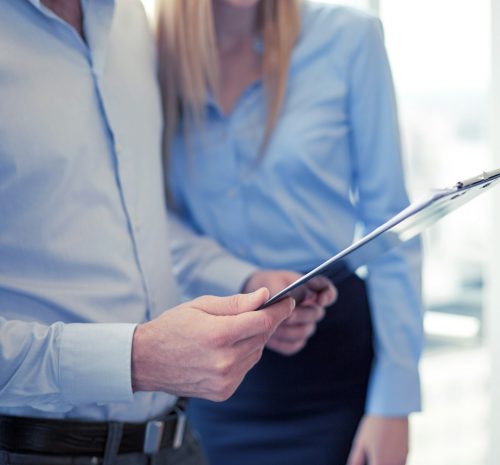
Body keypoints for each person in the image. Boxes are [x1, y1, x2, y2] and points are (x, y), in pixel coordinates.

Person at [0, 1, 336, 464]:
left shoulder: (132, 22)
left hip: (175, 441)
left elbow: (137, 219)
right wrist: (136, 359)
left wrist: (242, 280)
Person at [158, 1, 424, 464]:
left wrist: (394, 405)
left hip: (335, 374)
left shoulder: (349, 38)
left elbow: (390, 225)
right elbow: (153, 218)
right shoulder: (152, 56)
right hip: (213, 373)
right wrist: (243, 277)